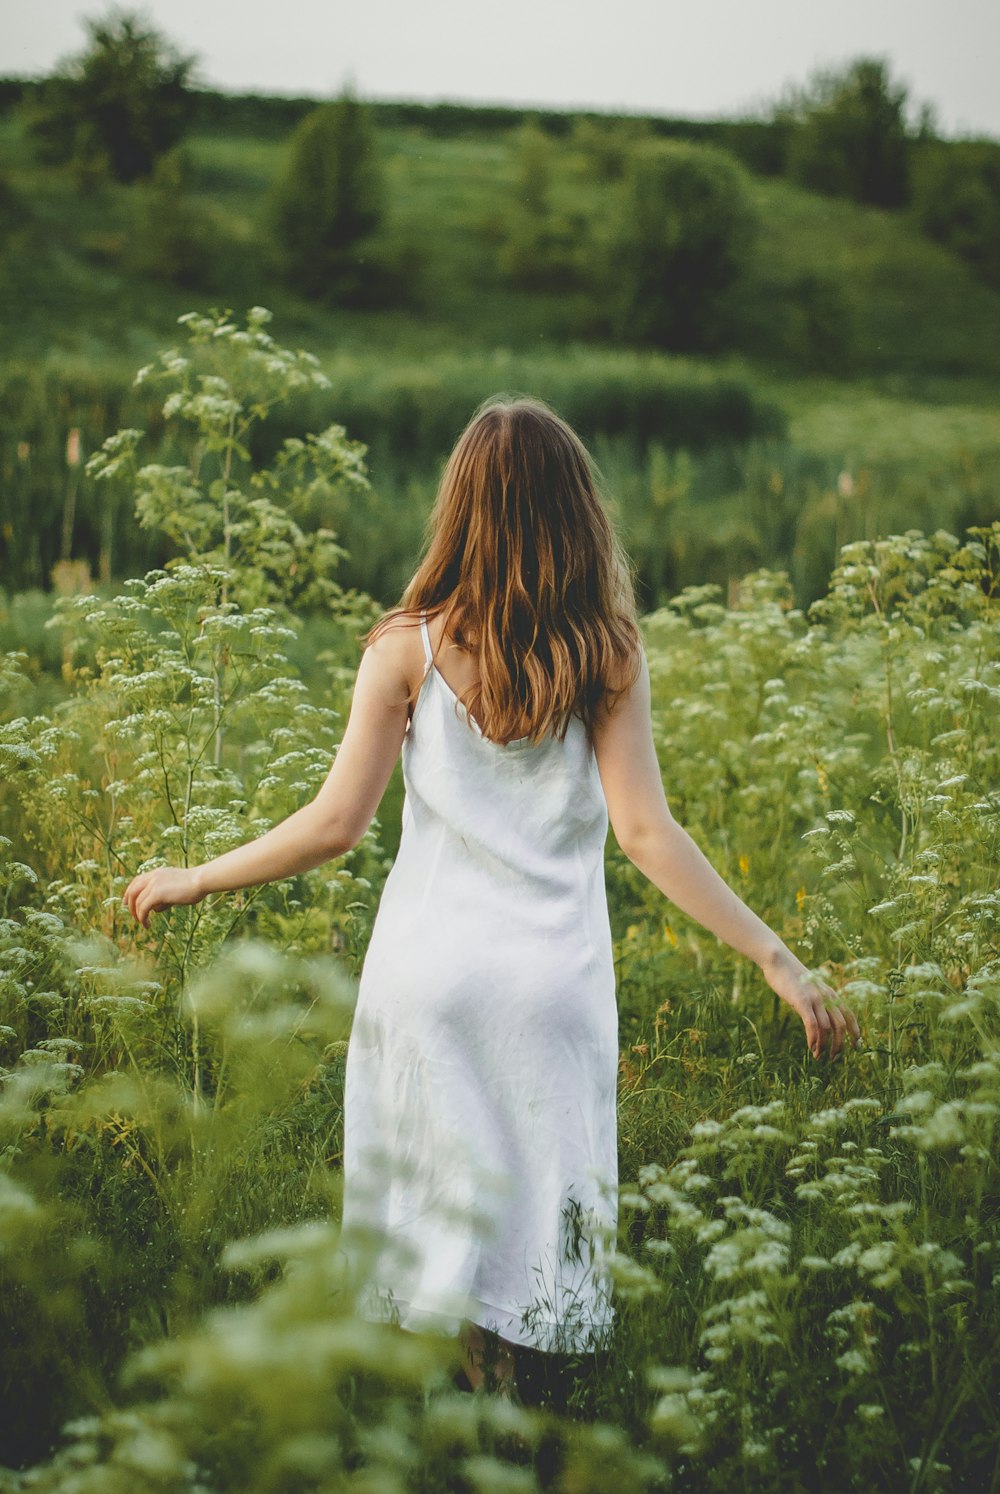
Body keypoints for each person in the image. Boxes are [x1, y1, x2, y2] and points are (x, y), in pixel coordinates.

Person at [123, 395, 862, 1400]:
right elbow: (647, 834)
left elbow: (336, 825)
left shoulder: (406, 649)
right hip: (548, 989)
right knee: (541, 1249)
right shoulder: (606, 653)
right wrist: (775, 957)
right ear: (575, 512)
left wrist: (195, 874)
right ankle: (523, 1433)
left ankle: (453, 1428)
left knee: (446, 1237)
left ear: (460, 508)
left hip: (428, 983)